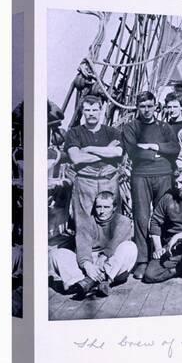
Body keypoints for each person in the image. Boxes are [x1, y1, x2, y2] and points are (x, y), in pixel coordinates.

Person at [122, 91, 180, 279]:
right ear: (137, 107)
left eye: (149, 106)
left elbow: (175, 148)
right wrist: (156, 155)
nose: (146, 110)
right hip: (140, 176)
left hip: (164, 175)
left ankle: (161, 255)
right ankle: (142, 260)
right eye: (142, 106)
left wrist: (154, 147)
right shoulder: (131, 127)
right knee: (141, 217)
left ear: (156, 106)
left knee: (163, 216)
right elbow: (132, 151)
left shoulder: (164, 127)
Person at [64, 95, 124, 266]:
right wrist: (106, 150)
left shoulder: (112, 132)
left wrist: (89, 149)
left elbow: (118, 153)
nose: (91, 113)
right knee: (83, 223)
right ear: (82, 111)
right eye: (87, 110)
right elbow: (76, 158)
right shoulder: (74, 133)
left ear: (101, 110)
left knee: (112, 221)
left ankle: (110, 261)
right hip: (85, 182)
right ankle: (85, 262)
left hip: (109, 180)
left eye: (94, 110)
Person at [48, 191, 137, 297]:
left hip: (112, 265)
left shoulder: (122, 221)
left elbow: (114, 243)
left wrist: (103, 257)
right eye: (99, 207)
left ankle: (92, 282)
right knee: (57, 253)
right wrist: (87, 265)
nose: (102, 211)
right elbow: (83, 246)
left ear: (114, 208)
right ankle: (85, 282)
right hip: (91, 264)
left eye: (106, 207)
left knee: (130, 247)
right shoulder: (86, 222)